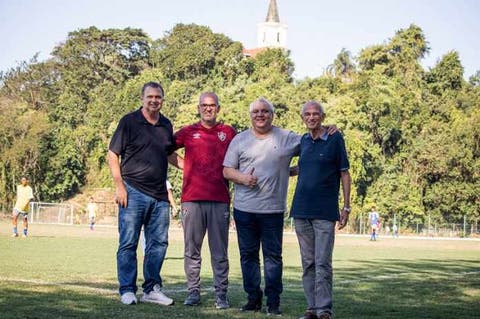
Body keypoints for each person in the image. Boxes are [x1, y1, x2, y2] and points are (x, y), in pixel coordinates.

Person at [223, 97, 336, 316]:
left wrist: (327, 128)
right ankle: (253, 298)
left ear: (272, 115)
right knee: (248, 256)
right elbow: (227, 170)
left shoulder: (288, 138)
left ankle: (273, 302)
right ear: (250, 115)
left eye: (265, 111)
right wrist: (243, 178)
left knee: (273, 257)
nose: (260, 115)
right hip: (244, 209)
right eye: (256, 111)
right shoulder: (239, 140)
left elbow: (314, 141)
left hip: (273, 209)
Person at [107, 81, 175, 306]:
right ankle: (127, 289)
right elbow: (112, 154)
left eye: (158, 97)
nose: (154, 100)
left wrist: (196, 167)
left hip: (160, 197)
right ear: (143, 99)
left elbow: (170, 155)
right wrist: (119, 186)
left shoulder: (166, 125)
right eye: (150, 97)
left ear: (162, 100)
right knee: (128, 242)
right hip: (132, 191)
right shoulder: (129, 121)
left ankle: (152, 289)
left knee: (159, 244)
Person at [173, 92, 236, 309]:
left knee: (220, 251)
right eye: (204, 105)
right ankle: (193, 292)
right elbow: (165, 150)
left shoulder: (228, 132)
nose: (208, 109)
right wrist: (185, 165)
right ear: (199, 108)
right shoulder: (188, 132)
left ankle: (221, 295)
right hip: (192, 199)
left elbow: (245, 152)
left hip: (219, 200)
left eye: (212, 105)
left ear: (218, 108)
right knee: (192, 249)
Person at [290, 101, 351, 319]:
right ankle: (311, 308)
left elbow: (344, 173)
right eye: (307, 114)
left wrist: (346, 207)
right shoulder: (303, 141)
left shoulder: (335, 138)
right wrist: (275, 171)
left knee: (322, 262)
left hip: (325, 212)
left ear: (322, 117)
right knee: (308, 263)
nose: (311, 117)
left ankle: (324, 309)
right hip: (301, 211)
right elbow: (301, 167)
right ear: (302, 118)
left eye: (316, 114)